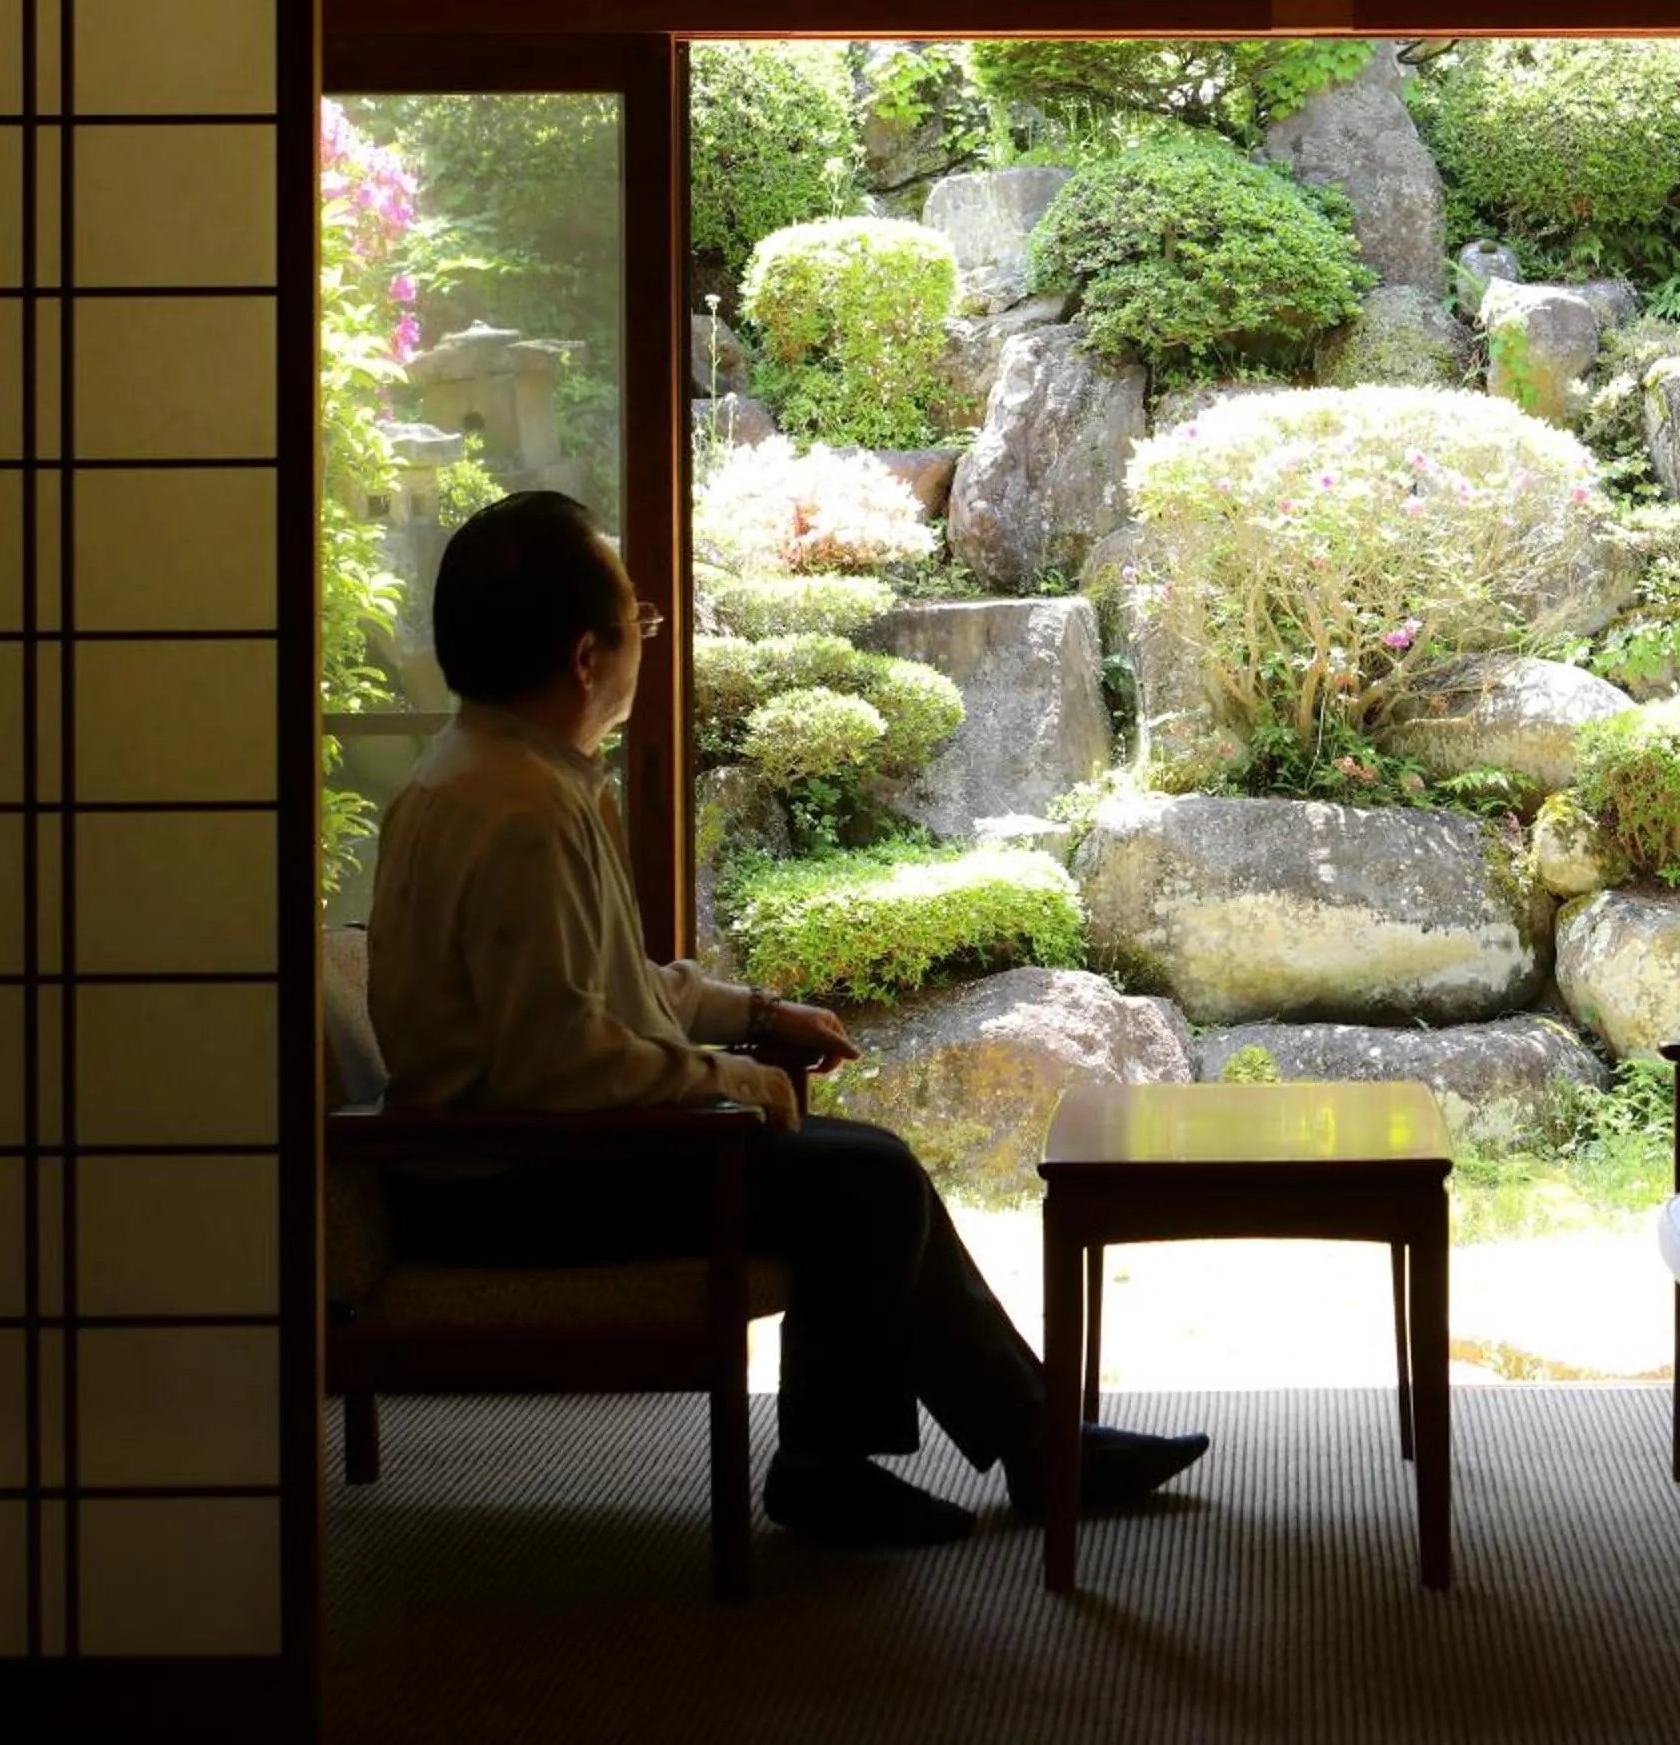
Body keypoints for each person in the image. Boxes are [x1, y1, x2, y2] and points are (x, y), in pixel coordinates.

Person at [365, 489, 1209, 1548]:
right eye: (640, 621)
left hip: (502, 1156)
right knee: (861, 1181)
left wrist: (756, 1015)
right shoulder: (521, 807)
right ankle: (846, 1463)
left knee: (868, 1164)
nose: (647, 642)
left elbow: (611, 985)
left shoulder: (492, 775)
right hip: (511, 1180)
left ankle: (1028, 1439)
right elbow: (557, 1057)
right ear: (589, 657)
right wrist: (728, 1078)